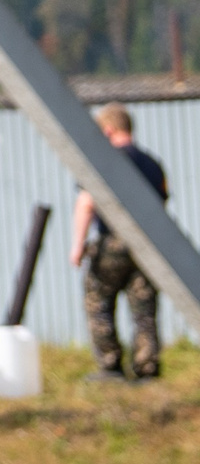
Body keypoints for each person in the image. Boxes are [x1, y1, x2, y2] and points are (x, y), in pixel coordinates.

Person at [69, 102, 169, 380]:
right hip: (149, 244)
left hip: (113, 242)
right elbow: (162, 204)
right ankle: (147, 367)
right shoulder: (152, 163)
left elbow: (87, 201)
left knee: (98, 299)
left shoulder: (105, 161)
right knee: (144, 306)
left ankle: (110, 366)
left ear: (108, 130)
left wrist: (78, 246)